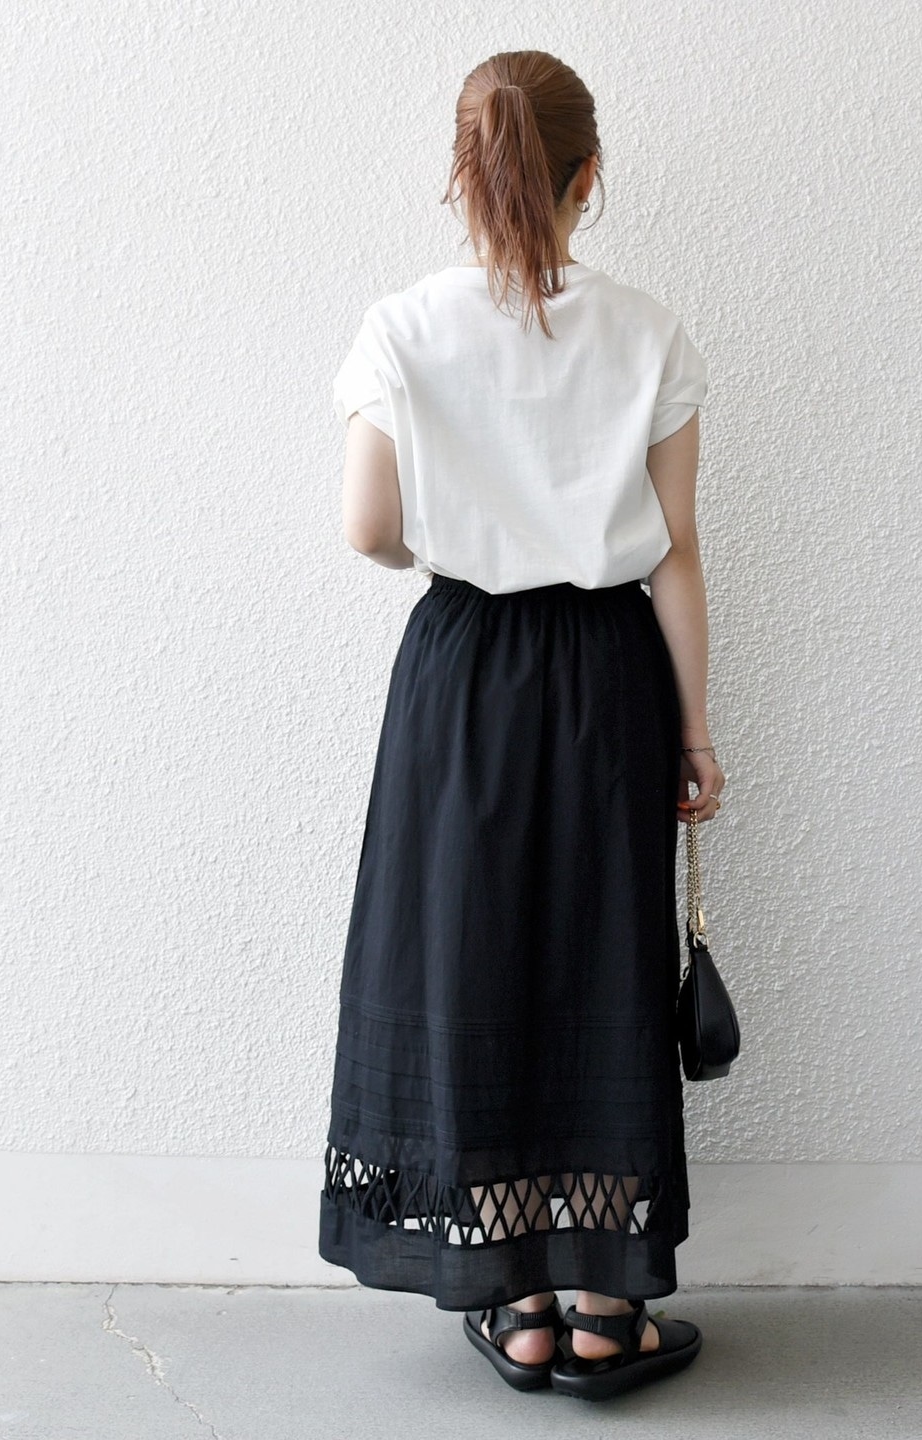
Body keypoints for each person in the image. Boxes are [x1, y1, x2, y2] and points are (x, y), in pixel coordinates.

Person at [318, 49, 725, 1402]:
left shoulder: (402, 328)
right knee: (602, 957)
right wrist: (696, 732)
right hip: (609, 671)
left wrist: (452, 541)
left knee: (472, 955)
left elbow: (368, 527)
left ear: (463, 171)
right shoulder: (649, 331)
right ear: (586, 175)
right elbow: (675, 552)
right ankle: (609, 1310)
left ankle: (521, 1304)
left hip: (464, 673)